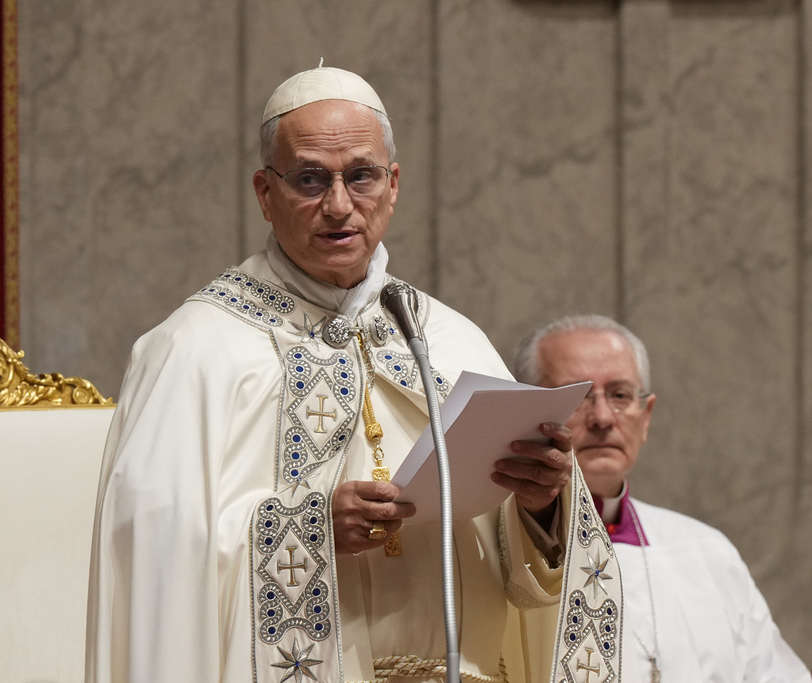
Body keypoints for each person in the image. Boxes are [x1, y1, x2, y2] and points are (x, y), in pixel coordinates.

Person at [85, 65, 634, 683]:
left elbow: (519, 577)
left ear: (394, 185)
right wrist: (309, 530)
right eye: (310, 179)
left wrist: (540, 506)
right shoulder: (193, 351)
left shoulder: (451, 341)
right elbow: (156, 565)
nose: (339, 206)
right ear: (266, 194)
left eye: (361, 176)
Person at [512, 314, 811, 683]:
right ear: (527, 410)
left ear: (646, 416)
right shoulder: (489, 549)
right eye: (578, 396)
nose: (603, 417)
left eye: (620, 395)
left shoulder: (707, 551)